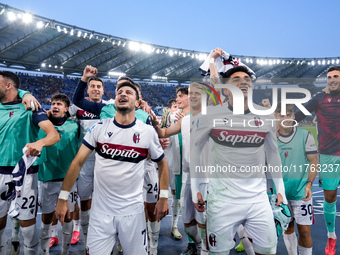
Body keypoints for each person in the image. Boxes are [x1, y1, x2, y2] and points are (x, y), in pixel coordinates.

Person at [55, 81, 169, 255]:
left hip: (133, 213)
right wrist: (63, 197)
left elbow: (162, 163)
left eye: (128, 92)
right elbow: (77, 162)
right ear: (114, 100)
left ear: (138, 102)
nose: (123, 94)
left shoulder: (147, 132)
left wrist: (163, 196)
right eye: (119, 92)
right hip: (101, 214)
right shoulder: (99, 128)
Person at [191, 65, 287, 255]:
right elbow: (195, 150)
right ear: (225, 89)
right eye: (236, 80)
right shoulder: (210, 115)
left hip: (258, 200)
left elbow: (274, 154)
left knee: (268, 251)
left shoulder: (266, 116)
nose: (243, 81)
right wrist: (195, 189)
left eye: (247, 79)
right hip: (221, 200)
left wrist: (280, 189)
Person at [0, 71, 60, 255]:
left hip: (25, 173)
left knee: (27, 228)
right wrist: (25, 92)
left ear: (8, 85)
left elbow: (53, 135)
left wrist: (39, 142)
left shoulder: (30, 108)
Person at [295, 66, 340, 255]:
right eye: (329, 77)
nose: (332, 80)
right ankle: (331, 235)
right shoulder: (320, 98)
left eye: (336, 76)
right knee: (330, 197)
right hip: (329, 155)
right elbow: (298, 115)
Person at [68, 75, 113, 248]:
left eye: (98, 86)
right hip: (85, 163)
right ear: (88, 89)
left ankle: (102, 235)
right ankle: (84, 236)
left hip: (105, 162)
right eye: (92, 86)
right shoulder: (77, 107)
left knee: (105, 200)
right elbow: (60, 115)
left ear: (103, 90)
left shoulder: (109, 107)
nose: (95, 89)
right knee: (85, 200)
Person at [37, 93, 79, 255]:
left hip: (68, 179)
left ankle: (65, 252)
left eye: (59, 104)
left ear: (66, 109)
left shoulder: (75, 126)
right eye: (53, 103)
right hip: (47, 177)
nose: (55, 106)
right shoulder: (42, 124)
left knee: (67, 216)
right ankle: (44, 252)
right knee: (47, 217)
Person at [275, 103, 318, 255]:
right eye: (281, 115)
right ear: (276, 117)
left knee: (305, 231)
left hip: (301, 192)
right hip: (280, 194)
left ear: (294, 116)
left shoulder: (305, 135)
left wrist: (309, 183)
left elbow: (314, 161)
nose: (285, 118)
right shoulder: (271, 138)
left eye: (289, 114)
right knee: (288, 228)